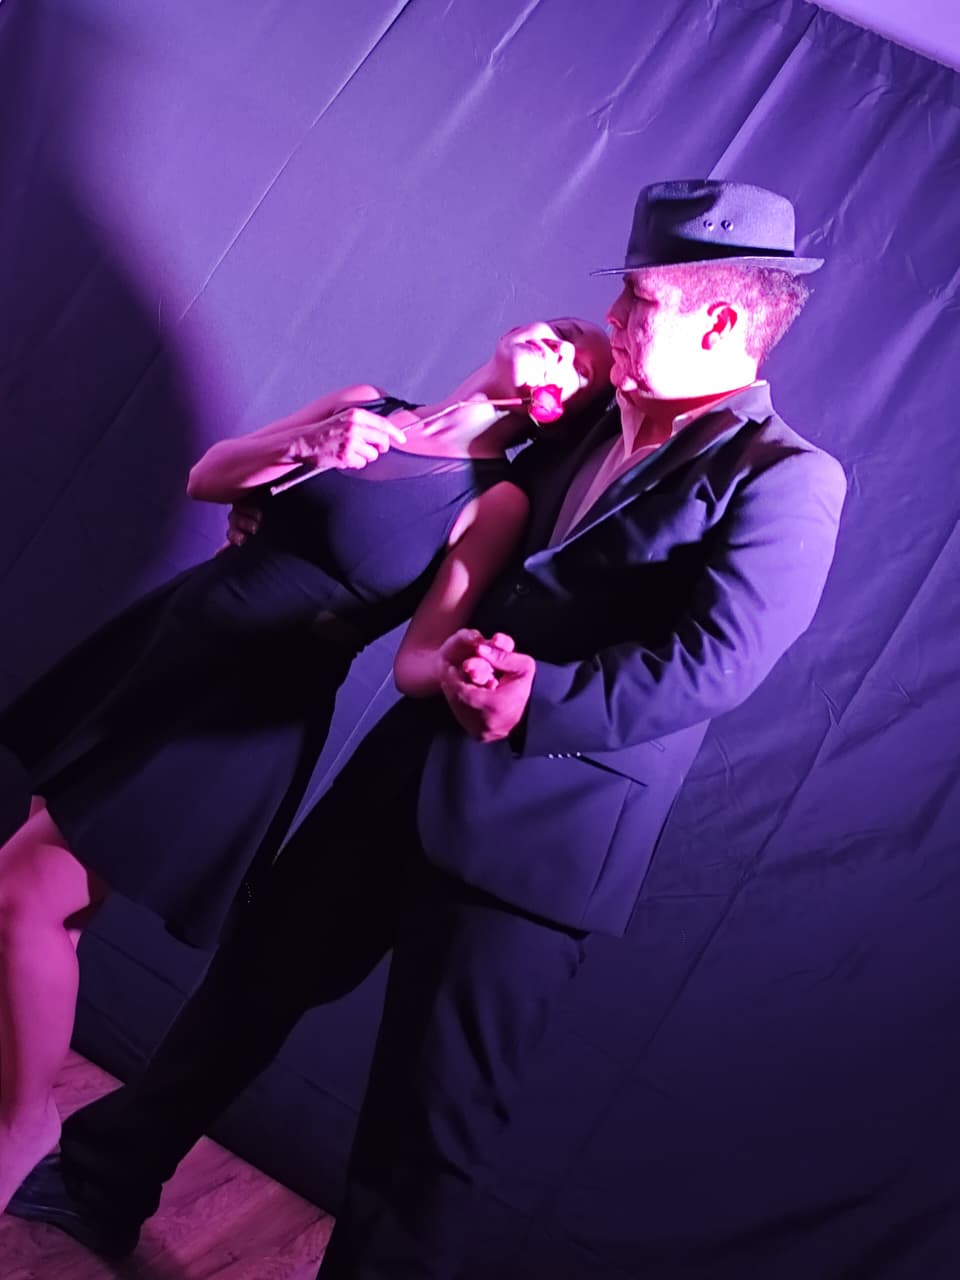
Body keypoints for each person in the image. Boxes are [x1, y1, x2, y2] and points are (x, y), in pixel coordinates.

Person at [7, 179, 847, 1279]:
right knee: (246, 992)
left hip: (537, 842)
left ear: (721, 318)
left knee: (430, 1119)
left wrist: (538, 700)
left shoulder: (784, 478)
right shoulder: (579, 416)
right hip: (402, 771)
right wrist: (292, 501)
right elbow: (445, 487)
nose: (614, 319)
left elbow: (715, 660)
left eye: (638, 301)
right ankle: (98, 1182)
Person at [0, 317, 614, 1208]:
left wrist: (457, 669)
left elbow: (416, 656)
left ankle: (24, 1124)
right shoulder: (368, 405)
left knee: (23, 895)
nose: (557, 341)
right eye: (559, 327)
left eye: (579, 359)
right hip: (167, 649)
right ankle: (16, 1102)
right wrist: (310, 445)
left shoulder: (498, 500)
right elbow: (210, 475)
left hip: (243, 708)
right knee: (51, 900)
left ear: (562, 406)